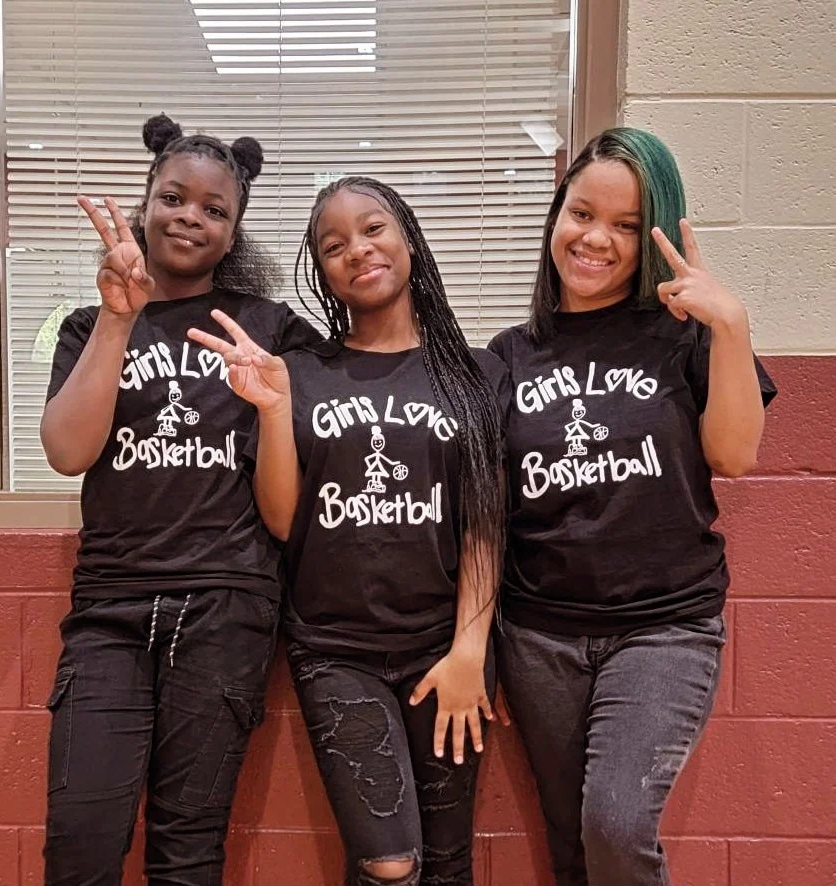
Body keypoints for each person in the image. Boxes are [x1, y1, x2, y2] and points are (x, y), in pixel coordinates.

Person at [188, 176, 510, 886]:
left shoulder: (475, 373)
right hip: (337, 651)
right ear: (323, 272)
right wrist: (273, 412)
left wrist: (469, 650)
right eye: (333, 246)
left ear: (408, 239)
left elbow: (484, 523)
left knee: (448, 858)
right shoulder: (302, 373)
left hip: (447, 650)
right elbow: (281, 518)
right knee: (389, 863)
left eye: (373, 229)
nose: (357, 251)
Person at [488, 127, 777, 886]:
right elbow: (489, 515)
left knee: (615, 824)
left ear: (651, 236)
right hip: (539, 636)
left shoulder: (682, 336)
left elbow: (736, 456)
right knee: (573, 848)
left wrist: (733, 325)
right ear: (557, 215)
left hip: (664, 628)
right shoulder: (509, 356)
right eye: (582, 214)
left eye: (624, 225)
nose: (596, 240)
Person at [40, 113, 319, 886]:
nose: (191, 216)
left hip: (226, 607)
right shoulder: (89, 323)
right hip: (110, 609)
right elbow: (68, 452)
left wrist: (270, 405)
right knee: (80, 840)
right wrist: (119, 320)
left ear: (234, 235)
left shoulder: (269, 331)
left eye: (215, 209)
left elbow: (285, 508)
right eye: (174, 197)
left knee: (188, 851)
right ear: (145, 204)